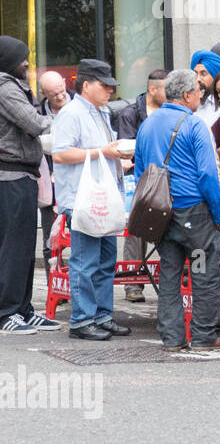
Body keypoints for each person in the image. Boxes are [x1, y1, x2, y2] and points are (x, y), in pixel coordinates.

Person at [134, 69, 220, 350]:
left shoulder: (147, 125)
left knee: (170, 274)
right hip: (194, 215)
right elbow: (208, 175)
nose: (201, 96)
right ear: (187, 95)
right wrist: (217, 212)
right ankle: (202, 336)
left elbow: (140, 171)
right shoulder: (195, 125)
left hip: (161, 215)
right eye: (199, 91)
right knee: (202, 273)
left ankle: (172, 337)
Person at [51, 59, 133, 342]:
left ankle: (101, 315)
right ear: (86, 85)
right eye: (105, 85)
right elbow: (60, 154)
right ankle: (82, 319)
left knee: (106, 260)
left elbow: (100, 152)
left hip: (103, 197)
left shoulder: (101, 111)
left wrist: (115, 157)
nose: (110, 90)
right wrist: (103, 152)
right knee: (85, 261)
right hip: (82, 198)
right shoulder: (71, 113)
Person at [0, 37, 61, 335]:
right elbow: (34, 124)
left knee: (24, 247)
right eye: (23, 57)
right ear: (10, 59)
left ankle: (23, 309)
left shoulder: (14, 86)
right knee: (13, 248)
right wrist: (61, 120)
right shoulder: (5, 88)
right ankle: (7, 312)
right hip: (10, 177)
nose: (27, 63)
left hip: (22, 176)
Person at [115, 68, 168, 303]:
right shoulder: (131, 113)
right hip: (140, 177)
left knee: (167, 228)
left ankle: (169, 279)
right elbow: (126, 149)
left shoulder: (170, 111)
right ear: (153, 90)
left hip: (166, 179)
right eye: (166, 89)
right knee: (135, 229)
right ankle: (132, 282)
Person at [35, 70, 69, 270]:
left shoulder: (80, 107)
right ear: (43, 92)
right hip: (49, 180)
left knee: (77, 235)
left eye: (61, 90)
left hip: (76, 180)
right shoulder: (37, 113)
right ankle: (54, 288)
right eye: (54, 93)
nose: (60, 96)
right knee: (50, 237)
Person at [190, 50, 220, 128]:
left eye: (203, 74)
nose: (198, 79)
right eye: (195, 74)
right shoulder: (190, 103)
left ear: (216, 76)